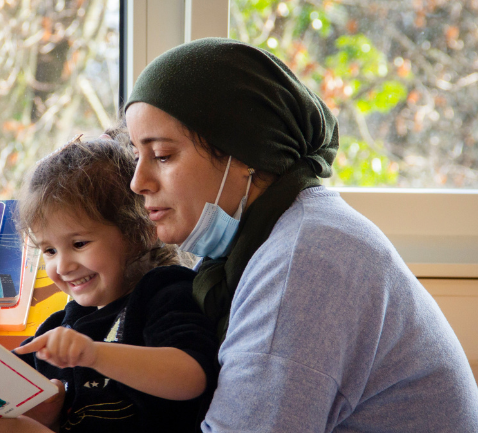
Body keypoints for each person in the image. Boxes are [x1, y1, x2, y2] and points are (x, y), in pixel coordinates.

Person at [122, 37, 478, 432]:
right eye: (137, 155)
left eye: (164, 155)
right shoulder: (275, 238)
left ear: (244, 154)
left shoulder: (304, 260)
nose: (138, 182)